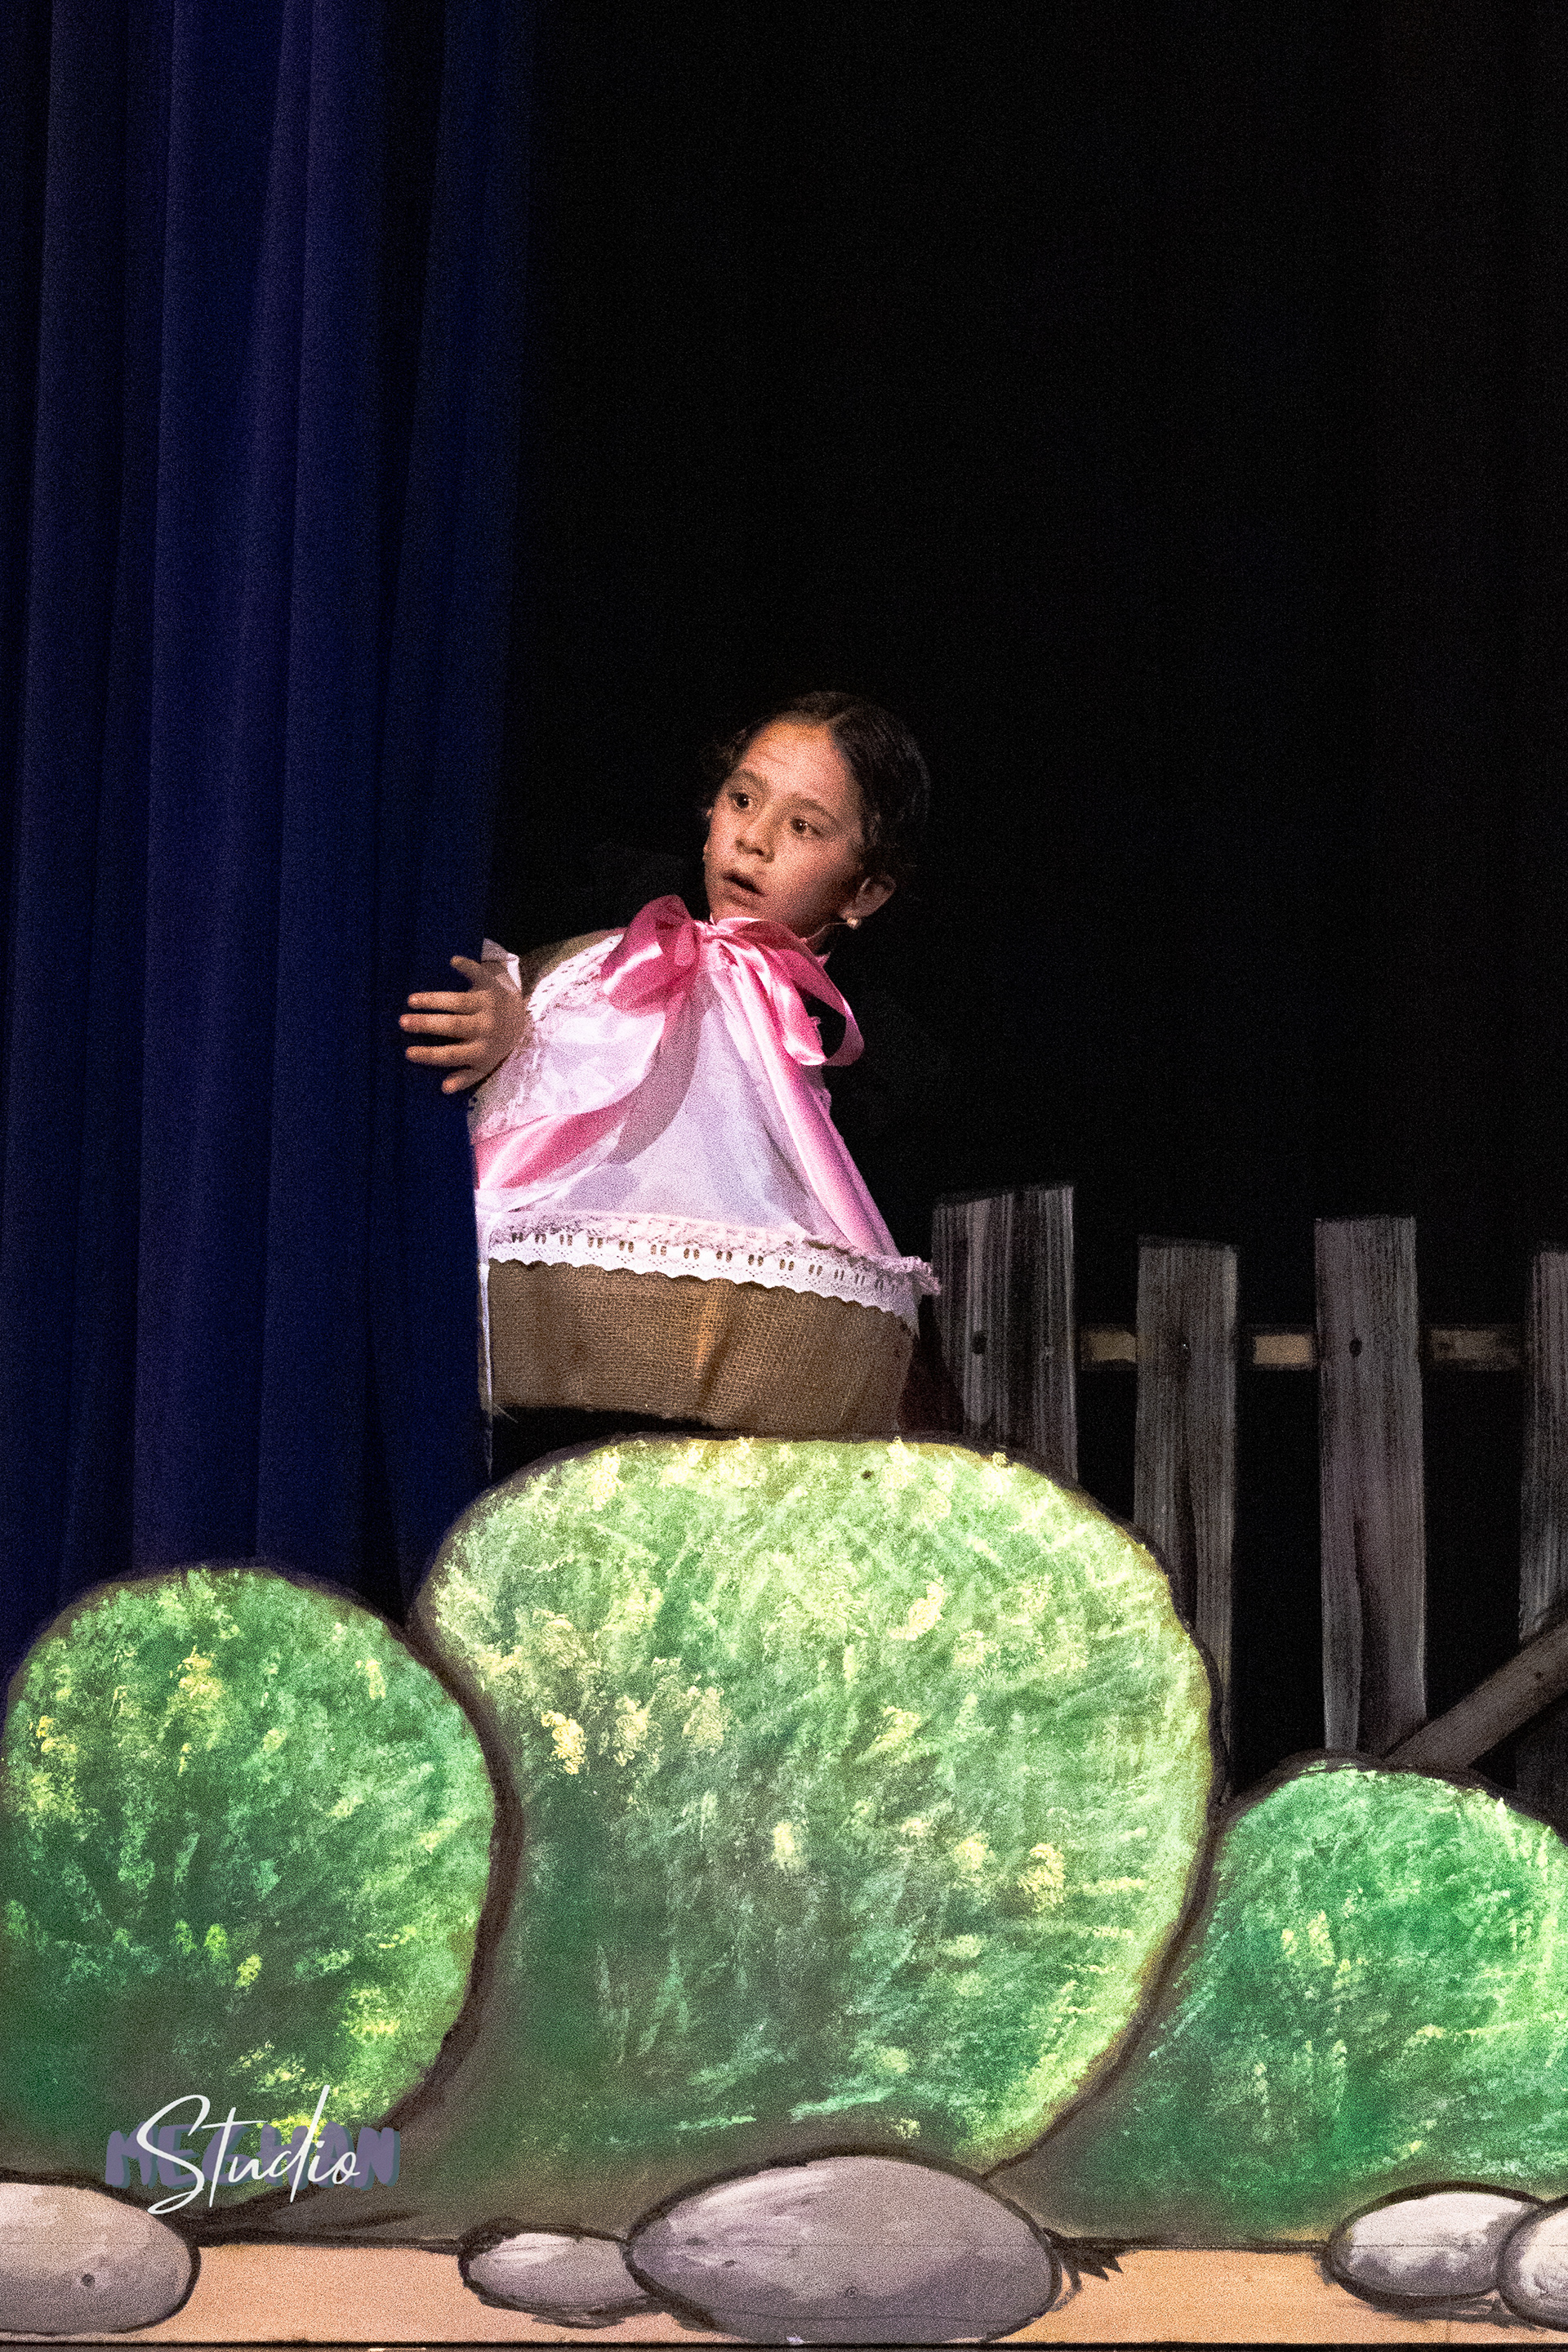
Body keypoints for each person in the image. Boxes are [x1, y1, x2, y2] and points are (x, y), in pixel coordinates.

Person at [401, 691, 938, 1454]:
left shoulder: (861, 1057)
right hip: (552, 1351)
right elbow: (554, 1062)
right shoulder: (619, 946)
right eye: (743, 800)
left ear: (866, 890)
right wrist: (511, 1034)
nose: (753, 840)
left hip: (730, 1403)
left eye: (803, 827)